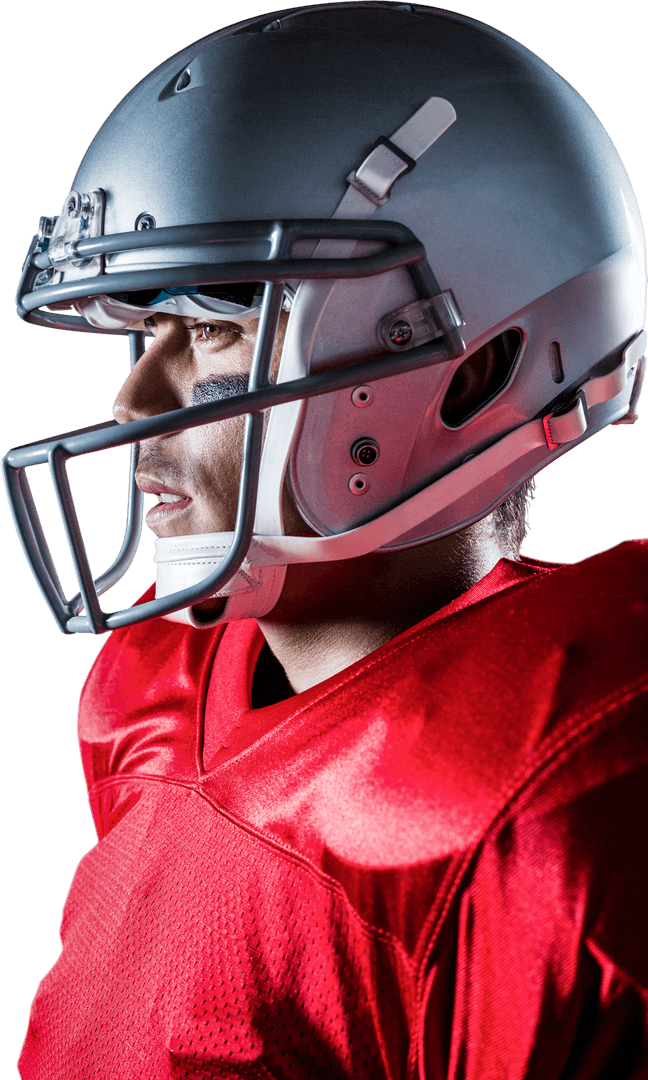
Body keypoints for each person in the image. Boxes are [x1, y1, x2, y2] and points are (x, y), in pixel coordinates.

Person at [5, 2, 647, 1076]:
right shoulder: (157, 696)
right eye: (141, 331)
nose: (132, 400)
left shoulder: (558, 798)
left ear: (476, 367)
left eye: (212, 326)